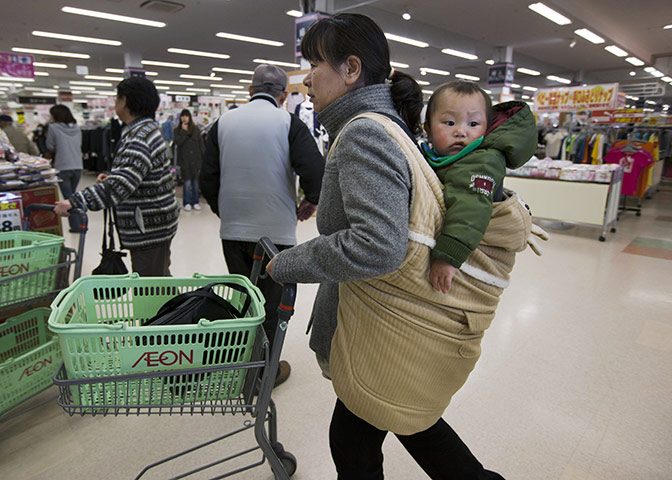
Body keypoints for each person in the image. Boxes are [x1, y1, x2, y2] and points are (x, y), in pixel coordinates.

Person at [266, 13, 542, 479]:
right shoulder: (385, 124)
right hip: (389, 320)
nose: (307, 76)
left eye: (315, 62)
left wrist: (286, 264)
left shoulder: (364, 133)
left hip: (386, 322)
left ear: (351, 69)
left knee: (358, 438)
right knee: (403, 422)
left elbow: (379, 245)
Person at [200, 64, 325, 387]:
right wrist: (311, 200)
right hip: (276, 233)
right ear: (283, 95)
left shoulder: (221, 124)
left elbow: (207, 178)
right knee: (271, 303)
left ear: (249, 90)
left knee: (244, 296)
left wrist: (225, 212)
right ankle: (263, 372)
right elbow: (315, 171)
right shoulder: (289, 123)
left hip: (233, 231)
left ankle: (243, 362)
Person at [54, 77, 179, 276]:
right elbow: (133, 174)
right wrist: (112, 177)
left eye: (116, 98)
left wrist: (75, 201)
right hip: (154, 221)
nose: (115, 104)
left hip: (149, 226)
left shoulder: (139, 136)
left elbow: (120, 186)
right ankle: (171, 308)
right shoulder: (143, 130)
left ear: (125, 101)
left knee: (151, 288)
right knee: (159, 281)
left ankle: (170, 309)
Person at [421, 80, 537, 293]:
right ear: (427, 129)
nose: (461, 132)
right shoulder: (440, 157)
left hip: (464, 257)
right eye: (449, 123)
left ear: (487, 126)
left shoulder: (481, 161)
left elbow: (471, 208)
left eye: (473, 124)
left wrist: (448, 257)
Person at [46, 105, 83, 232]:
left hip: (63, 166)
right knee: (73, 195)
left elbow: (50, 146)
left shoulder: (53, 128)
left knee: (68, 197)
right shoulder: (77, 128)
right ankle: (81, 222)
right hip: (77, 165)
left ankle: (77, 226)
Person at [173, 109, 204, 211]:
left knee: (195, 183)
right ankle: (187, 202)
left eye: (186, 116)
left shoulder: (196, 130)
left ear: (190, 117)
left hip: (196, 160)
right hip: (185, 161)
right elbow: (178, 143)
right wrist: (183, 131)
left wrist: (203, 159)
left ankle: (195, 201)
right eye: (183, 116)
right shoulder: (177, 131)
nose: (184, 118)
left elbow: (201, 146)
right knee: (187, 183)